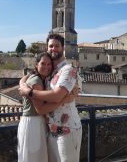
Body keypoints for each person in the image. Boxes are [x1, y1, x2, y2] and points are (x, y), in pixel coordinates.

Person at [19, 33, 82, 162]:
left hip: (68, 129)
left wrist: (29, 92)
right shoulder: (49, 71)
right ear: (46, 48)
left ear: (63, 48)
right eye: (51, 46)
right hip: (51, 130)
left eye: (57, 46)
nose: (54, 49)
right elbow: (28, 77)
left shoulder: (68, 70)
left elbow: (56, 96)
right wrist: (22, 85)